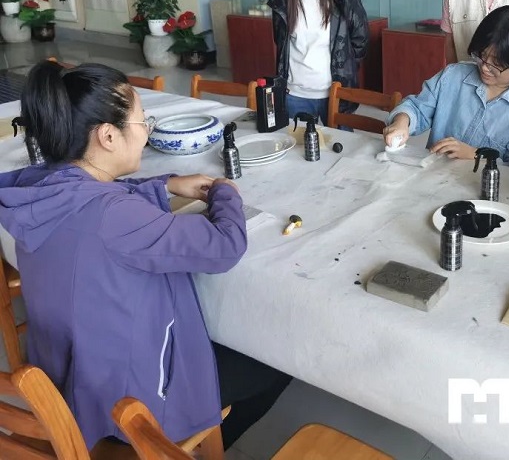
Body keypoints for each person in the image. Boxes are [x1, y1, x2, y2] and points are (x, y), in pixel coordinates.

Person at [0, 62, 291, 449]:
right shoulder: (113, 216)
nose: (146, 132)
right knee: (277, 361)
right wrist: (225, 192)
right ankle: (175, 450)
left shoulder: (39, 187)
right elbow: (225, 245)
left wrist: (166, 184)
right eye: (142, 123)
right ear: (108, 136)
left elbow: (101, 194)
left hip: (74, 380)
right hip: (131, 403)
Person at [384, 5, 509, 170]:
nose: (485, 67)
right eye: (482, 55)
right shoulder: (453, 76)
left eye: (497, 64)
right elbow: (417, 108)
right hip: (434, 176)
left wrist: (477, 156)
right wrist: (402, 121)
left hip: (484, 186)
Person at [268, 0, 369, 126]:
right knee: (297, 144)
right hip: (294, 93)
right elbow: (281, 43)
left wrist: (344, 67)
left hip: (335, 93)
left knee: (341, 143)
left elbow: (360, 44)